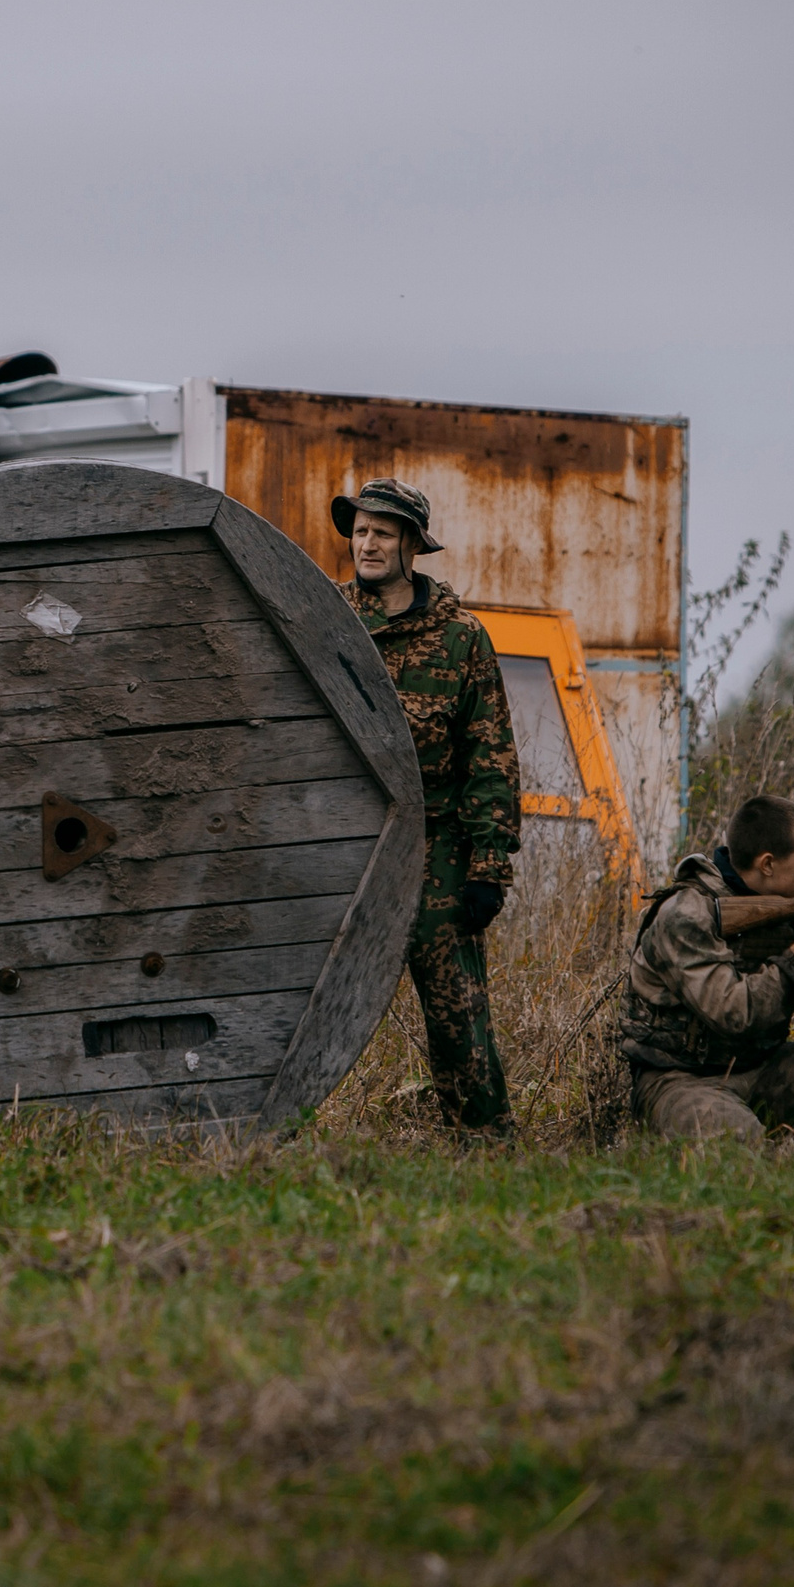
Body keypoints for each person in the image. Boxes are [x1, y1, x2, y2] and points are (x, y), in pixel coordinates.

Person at [334, 478, 522, 1135]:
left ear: (412, 545)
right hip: (343, 840)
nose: (367, 543)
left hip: (434, 846)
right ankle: (263, 1136)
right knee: (301, 992)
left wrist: (488, 869)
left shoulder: (460, 638)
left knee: (456, 1007)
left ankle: (485, 1142)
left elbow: (490, 759)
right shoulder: (327, 619)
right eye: (360, 531)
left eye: (383, 533)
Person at [616, 793, 794, 1141]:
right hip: (679, 1082)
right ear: (768, 864)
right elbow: (734, 1013)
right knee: (735, 1138)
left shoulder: (787, 908)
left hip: (762, 1072)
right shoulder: (685, 915)